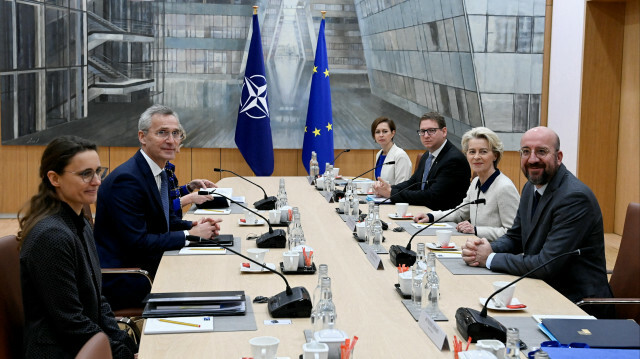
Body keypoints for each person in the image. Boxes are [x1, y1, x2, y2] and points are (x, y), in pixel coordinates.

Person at [461, 126, 613, 317]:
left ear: (558, 157)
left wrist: (489, 258)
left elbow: (546, 264)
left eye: (541, 151)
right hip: (542, 290)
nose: (532, 159)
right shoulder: (530, 187)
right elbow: (515, 236)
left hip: (577, 305)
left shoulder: (574, 198)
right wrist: (488, 248)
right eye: (526, 152)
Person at [18, 136, 137, 358]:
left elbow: (97, 301)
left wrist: (126, 346)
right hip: (59, 351)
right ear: (54, 178)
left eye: (98, 171)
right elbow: (71, 323)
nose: (97, 181)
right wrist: (122, 355)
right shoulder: (51, 236)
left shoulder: (79, 221)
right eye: (86, 174)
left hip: (83, 345)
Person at [94, 104, 222, 310]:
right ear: (142, 137)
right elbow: (138, 243)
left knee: (213, 272)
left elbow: (165, 221)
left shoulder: (158, 172)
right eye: (162, 133)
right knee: (207, 285)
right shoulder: (127, 180)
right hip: (130, 277)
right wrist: (190, 234)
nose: (171, 140)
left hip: (149, 262)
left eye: (175, 133)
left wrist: (195, 224)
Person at [413, 127, 520, 241]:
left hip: (495, 254)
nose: (476, 157)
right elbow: (460, 214)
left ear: (495, 155)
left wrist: (476, 230)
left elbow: (513, 233)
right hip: (476, 247)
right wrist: (430, 216)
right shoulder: (475, 182)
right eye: (472, 151)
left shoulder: (504, 187)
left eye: (483, 151)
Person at [373, 112, 470, 209]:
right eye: (422, 131)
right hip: (423, 212)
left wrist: (391, 193)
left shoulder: (453, 160)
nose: (426, 135)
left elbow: (432, 196)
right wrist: (387, 189)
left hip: (444, 219)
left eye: (431, 130)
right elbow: (412, 183)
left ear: (444, 131)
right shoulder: (427, 155)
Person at [371, 117, 412, 185]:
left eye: (385, 131)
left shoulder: (400, 155)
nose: (381, 135)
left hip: (394, 195)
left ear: (393, 133)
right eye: (377, 132)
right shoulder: (379, 154)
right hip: (381, 195)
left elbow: (402, 187)